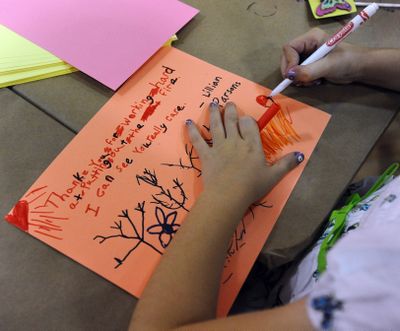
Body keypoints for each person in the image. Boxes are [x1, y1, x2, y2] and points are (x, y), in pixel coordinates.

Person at [130, 28, 400, 330]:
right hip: (356, 219)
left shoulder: (380, 297)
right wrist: (362, 63)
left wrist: (225, 191)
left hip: (293, 295)